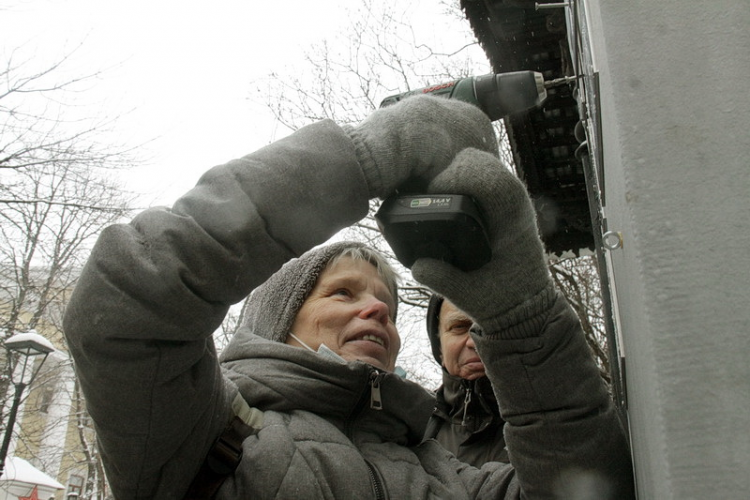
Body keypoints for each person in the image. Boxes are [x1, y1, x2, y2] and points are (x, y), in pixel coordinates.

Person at [63, 95, 635, 499]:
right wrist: (367, 158)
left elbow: (587, 490)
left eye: (385, 299)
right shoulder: (204, 434)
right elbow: (127, 296)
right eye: (342, 292)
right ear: (275, 320)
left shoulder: (450, 476)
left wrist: (522, 315)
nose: (380, 309)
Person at [424, 295, 509, 466]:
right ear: (439, 348)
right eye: (459, 327)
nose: (474, 341)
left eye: (488, 327)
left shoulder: (546, 421)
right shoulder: (413, 427)